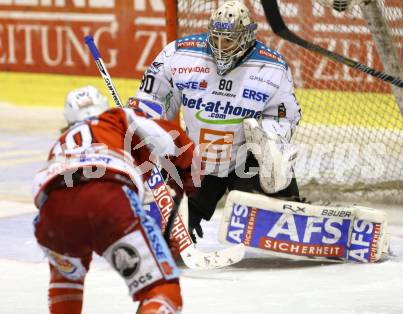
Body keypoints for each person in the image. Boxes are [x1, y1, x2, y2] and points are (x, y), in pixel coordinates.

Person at [133, 0, 302, 243]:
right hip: (197, 162)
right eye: (216, 38)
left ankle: (291, 209)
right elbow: (154, 96)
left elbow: (285, 115)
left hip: (247, 160)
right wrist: (143, 117)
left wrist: (269, 138)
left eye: (229, 40)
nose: (220, 47)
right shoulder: (179, 54)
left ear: (245, 37)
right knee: (166, 236)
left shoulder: (272, 67)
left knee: (275, 175)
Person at [32, 85, 195, 314]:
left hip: (53, 213)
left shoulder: (60, 143)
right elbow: (171, 138)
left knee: (67, 281)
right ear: (103, 108)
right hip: (108, 199)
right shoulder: (116, 117)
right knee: (163, 290)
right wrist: (189, 174)